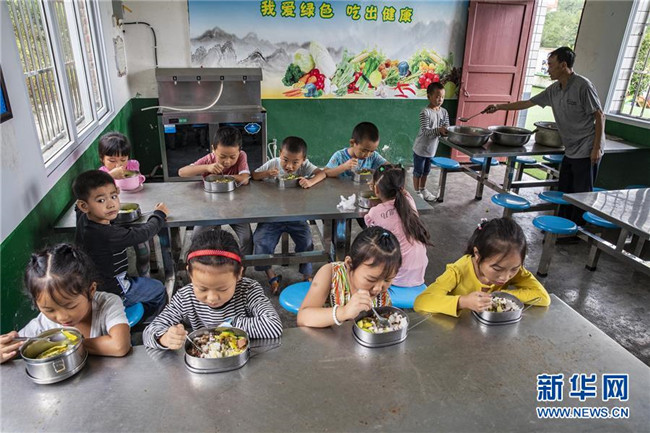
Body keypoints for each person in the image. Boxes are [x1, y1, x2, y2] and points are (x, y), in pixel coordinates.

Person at [485, 46, 605, 228]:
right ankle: (562, 227)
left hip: (587, 148)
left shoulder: (583, 86)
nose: (547, 69)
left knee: (581, 194)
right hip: (570, 148)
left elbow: (599, 115)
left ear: (563, 65)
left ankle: (576, 231)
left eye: (550, 65)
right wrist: (499, 107)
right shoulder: (554, 89)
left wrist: (596, 148)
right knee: (565, 191)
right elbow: (528, 103)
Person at [143, 229, 283, 350]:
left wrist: (230, 325)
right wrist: (164, 338)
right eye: (202, 289)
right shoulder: (185, 297)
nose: (212, 298)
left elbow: (274, 326)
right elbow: (149, 332)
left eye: (223, 289)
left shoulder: (248, 290)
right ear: (190, 274)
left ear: (239, 274)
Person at [0, 244, 130, 363]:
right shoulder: (41, 324)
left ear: (91, 290)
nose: (62, 317)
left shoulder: (107, 304)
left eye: (70, 306)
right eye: (49, 310)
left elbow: (119, 346)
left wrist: (65, 344)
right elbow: (13, 347)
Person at [72, 170, 168, 316]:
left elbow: (77, 204)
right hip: (114, 290)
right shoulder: (107, 235)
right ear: (84, 206)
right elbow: (143, 233)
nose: (111, 204)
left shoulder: (83, 217)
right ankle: (149, 321)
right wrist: (159, 215)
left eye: (114, 196)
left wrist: (109, 177)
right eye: (101, 200)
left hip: (93, 285)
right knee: (158, 288)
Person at [413, 218, 550, 317]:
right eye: (497, 269)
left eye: (514, 269)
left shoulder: (513, 268)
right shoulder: (458, 271)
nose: (505, 277)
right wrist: (463, 302)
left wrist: (501, 297)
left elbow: (543, 298)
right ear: (477, 255)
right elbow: (421, 302)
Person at [252, 136, 327, 294]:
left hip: (296, 216)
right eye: (285, 160)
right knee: (261, 241)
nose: (289, 166)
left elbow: (322, 174)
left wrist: (310, 182)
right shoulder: (273, 163)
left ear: (303, 160)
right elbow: (254, 175)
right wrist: (267, 173)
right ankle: (271, 276)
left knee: (306, 242)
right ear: (280, 153)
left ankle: (307, 276)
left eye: (295, 162)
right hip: (272, 216)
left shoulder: (305, 166)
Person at [97, 132, 173, 281]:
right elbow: (96, 187)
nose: (118, 165)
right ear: (102, 158)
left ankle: (147, 276)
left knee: (143, 251)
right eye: (111, 160)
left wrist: (136, 178)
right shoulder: (102, 174)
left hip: (137, 208)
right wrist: (111, 176)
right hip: (116, 217)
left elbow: (138, 180)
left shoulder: (133, 165)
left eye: (123, 160)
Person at [297, 227, 401, 328]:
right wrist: (344, 312)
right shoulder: (330, 274)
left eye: (387, 279)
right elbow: (303, 318)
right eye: (371, 279)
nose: (378, 288)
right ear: (349, 264)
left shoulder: (381, 294)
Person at [178, 126, 253, 255]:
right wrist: (207, 168)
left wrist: (222, 177)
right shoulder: (209, 159)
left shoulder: (242, 156)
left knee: (246, 238)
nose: (227, 161)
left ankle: (243, 265)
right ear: (213, 149)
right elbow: (182, 172)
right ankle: (200, 262)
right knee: (196, 237)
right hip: (210, 208)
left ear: (239, 151)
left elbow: (245, 179)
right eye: (222, 156)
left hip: (236, 208)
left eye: (232, 157)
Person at [365, 164, 430, 287]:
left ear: (376, 190)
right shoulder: (409, 200)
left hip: (397, 277)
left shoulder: (374, 213)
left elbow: (370, 236)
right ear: (402, 187)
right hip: (419, 272)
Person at [412, 82, 450, 201]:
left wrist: (447, 131)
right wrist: (439, 130)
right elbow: (426, 131)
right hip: (420, 149)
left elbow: (447, 126)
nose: (440, 99)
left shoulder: (444, 112)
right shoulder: (425, 112)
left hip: (432, 149)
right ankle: (416, 192)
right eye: (437, 96)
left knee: (426, 171)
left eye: (442, 97)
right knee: (418, 171)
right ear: (429, 96)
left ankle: (423, 189)